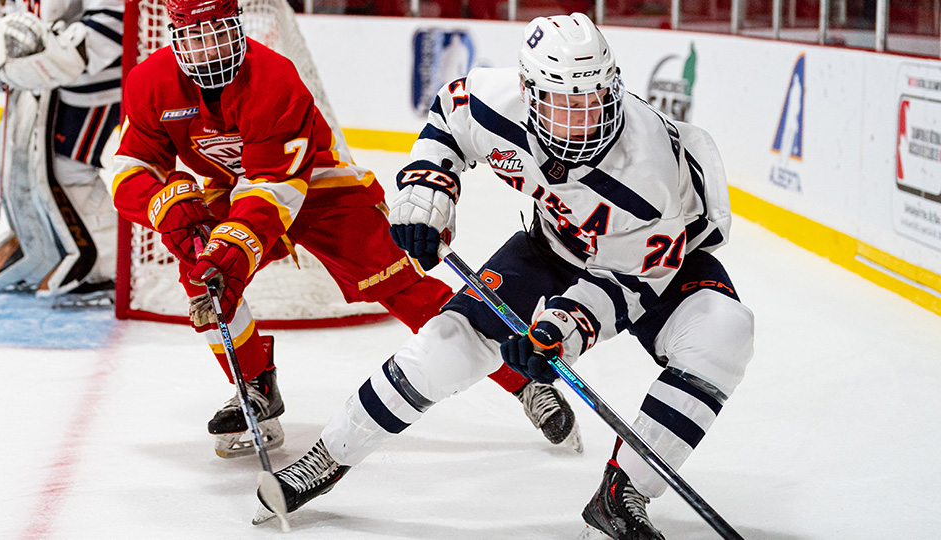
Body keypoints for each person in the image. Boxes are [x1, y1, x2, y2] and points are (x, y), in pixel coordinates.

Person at [258, 13, 754, 540]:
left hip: (660, 262)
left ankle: (622, 493)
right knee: (447, 345)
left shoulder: (645, 173)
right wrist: (431, 188)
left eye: (593, 99)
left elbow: (631, 282)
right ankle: (324, 459)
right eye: (565, 103)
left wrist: (560, 332)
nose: (583, 118)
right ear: (529, 92)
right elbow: (450, 116)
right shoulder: (498, 103)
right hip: (555, 245)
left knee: (723, 333)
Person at [110, 0, 580, 460]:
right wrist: (162, 204)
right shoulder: (151, 83)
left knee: (406, 289)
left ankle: (524, 382)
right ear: (175, 38)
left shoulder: (273, 79)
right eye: (195, 37)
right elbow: (129, 165)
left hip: (320, 189)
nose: (209, 48)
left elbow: (274, 191)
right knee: (204, 281)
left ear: (237, 24)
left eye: (218, 31)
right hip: (233, 191)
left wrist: (230, 253)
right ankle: (256, 388)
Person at [0, 0, 122, 303]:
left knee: (66, 168)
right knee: (24, 162)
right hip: (42, 80)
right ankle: (43, 245)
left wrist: (66, 50)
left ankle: (103, 265)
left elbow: (114, 14)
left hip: (94, 82)